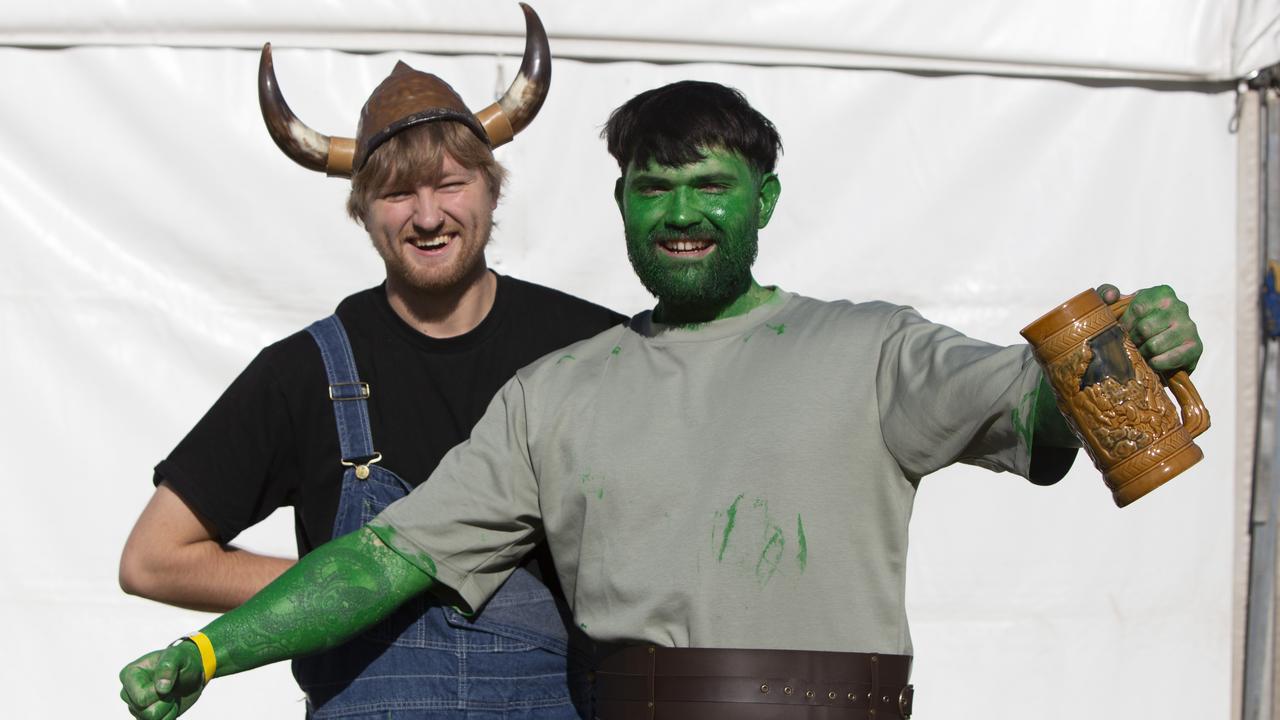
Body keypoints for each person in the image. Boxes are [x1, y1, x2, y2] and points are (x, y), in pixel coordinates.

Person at [120, 80, 1203, 720]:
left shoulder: (870, 347)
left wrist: (1113, 363)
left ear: (763, 200)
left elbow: (1026, 410)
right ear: (623, 207)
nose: (682, 212)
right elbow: (380, 559)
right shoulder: (553, 389)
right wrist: (211, 655)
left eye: (711, 186)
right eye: (654, 188)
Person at [117, 7, 624, 718]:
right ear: (362, 212)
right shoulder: (304, 372)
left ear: (492, 188)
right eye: (396, 193)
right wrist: (339, 589)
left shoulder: (593, 345)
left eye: (449, 184)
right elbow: (152, 557)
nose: (426, 216)